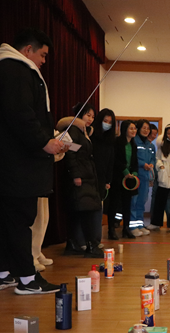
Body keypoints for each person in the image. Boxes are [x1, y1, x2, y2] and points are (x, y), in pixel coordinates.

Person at [0, 28, 63, 294]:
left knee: (0, 219)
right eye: (43, 55)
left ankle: (1, 274)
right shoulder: (16, 70)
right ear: (28, 50)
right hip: (16, 166)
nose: (43, 61)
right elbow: (21, 115)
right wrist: (45, 142)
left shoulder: (1, 70)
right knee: (19, 219)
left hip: (0, 164)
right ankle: (27, 279)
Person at [60, 103, 103, 258]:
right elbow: (71, 154)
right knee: (86, 212)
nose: (90, 119)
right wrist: (76, 175)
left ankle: (72, 243)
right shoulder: (73, 130)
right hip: (80, 178)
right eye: (87, 115)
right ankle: (91, 245)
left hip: (87, 176)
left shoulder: (84, 132)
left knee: (78, 212)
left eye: (92, 116)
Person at [108, 120, 139, 239]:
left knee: (127, 204)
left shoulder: (134, 145)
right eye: (131, 128)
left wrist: (134, 173)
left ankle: (126, 228)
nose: (133, 131)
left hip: (129, 179)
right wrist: (125, 172)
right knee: (114, 204)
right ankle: (111, 229)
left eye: (134, 128)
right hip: (118, 177)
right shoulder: (117, 142)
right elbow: (115, 159)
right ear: (124, 129)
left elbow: (135, 162)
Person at [130, 119, 155, 236]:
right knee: (133, 201)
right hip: (136, 176)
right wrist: (142, 164)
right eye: (143, 128)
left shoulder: (150, 145)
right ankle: (132, 227)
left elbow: (153, 159)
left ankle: (140, 225)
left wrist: (151, 164)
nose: (146, 130)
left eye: (148, 128)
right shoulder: (134, 141)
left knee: (142, 201)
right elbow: (133, 158)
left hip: (145, 177)